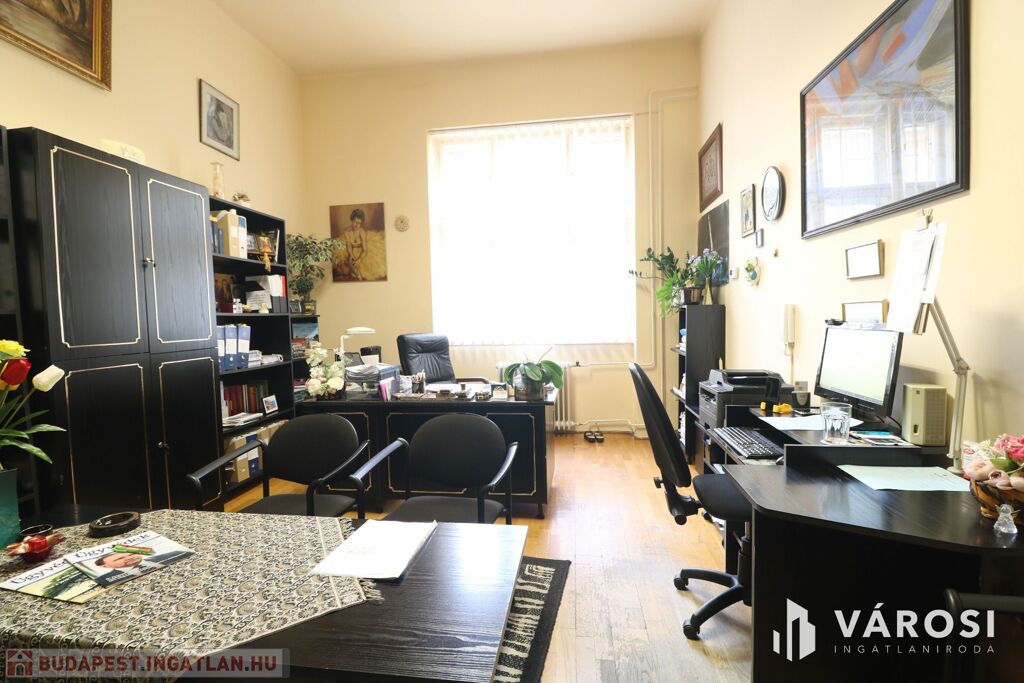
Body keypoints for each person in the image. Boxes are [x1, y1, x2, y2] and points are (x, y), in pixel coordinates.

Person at [340, 209, 368, 279]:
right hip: (350, 251)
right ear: (352, 220)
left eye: (359, 223)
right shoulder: (347, 231)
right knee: (351, 257)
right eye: (355, 222)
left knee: (359, 261)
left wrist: (359, 260)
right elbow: (348, 245)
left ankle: (357, 273)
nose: (356, 225)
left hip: (361, 252)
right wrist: (352, 256)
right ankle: (355, 272)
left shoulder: (361, 232)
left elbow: (365, 250)